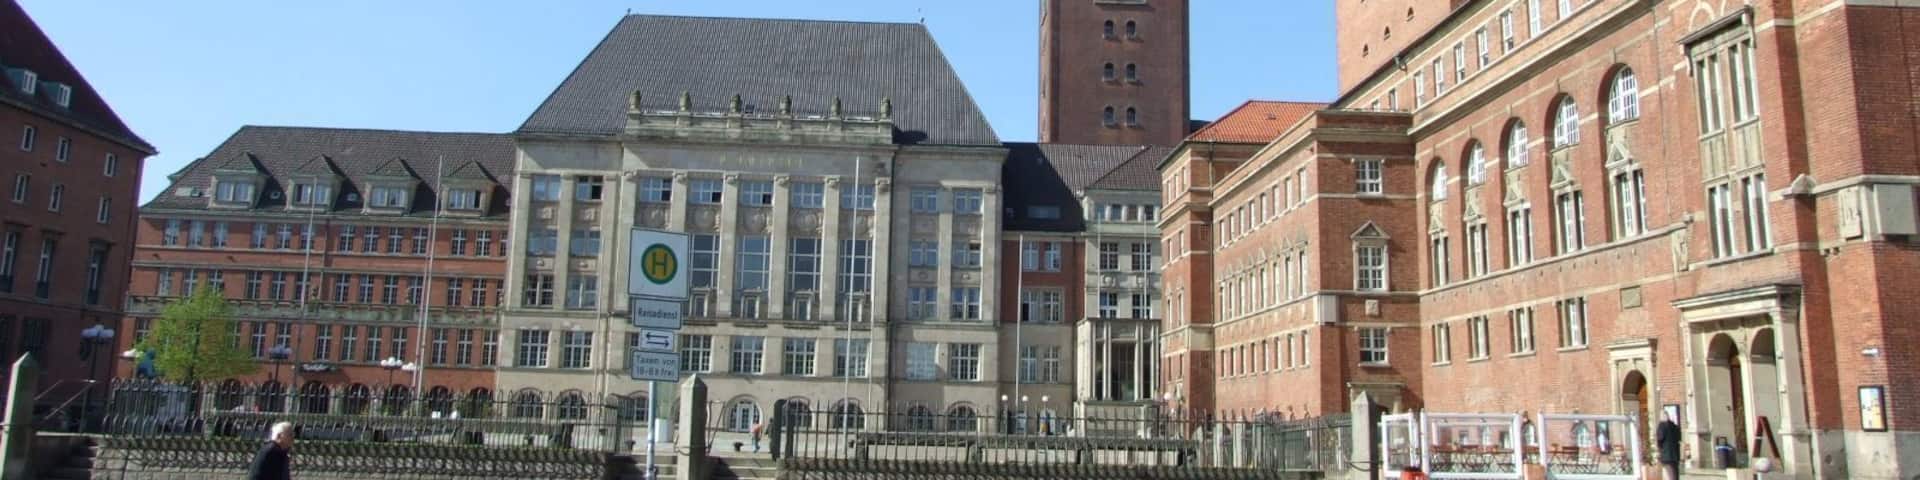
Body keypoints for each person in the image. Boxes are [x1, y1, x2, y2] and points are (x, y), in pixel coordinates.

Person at [1656, 411, 1682, 480]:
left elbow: (1660, 438)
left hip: (1666, 454)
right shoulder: (1675, 426)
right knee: (1675, 473)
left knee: (1668, 474)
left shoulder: (1661, 426)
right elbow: (1679, 438)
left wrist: (1659, 449)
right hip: (1675, 454)